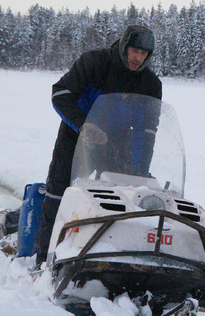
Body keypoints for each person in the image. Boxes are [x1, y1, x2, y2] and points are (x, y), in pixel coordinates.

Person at [38, 24, 162, 265]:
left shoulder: (150, 84)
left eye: (144, 54)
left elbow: (147, 130)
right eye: (134, 51)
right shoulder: (94, 62)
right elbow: (60, 93)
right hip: (77, 136)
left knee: (125, 199)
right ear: (124, 46)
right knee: (59, 195)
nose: (138, 58)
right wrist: (83, 125)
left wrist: (140, 169)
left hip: (117, 144)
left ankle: (118, 255)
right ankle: (45, 258)